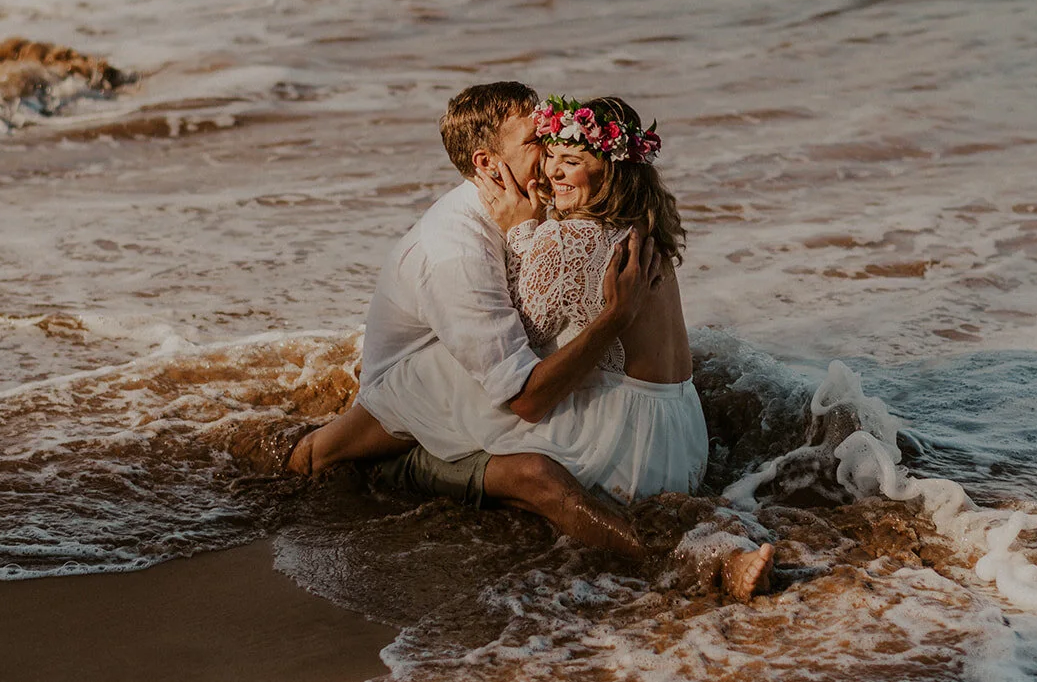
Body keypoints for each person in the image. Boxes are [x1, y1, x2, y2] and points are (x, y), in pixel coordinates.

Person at [280, 83, 774, 599]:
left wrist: (529, 236)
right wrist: (613, 313)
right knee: (497, 445)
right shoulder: (463, 251)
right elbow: (526, 392)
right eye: (539, 144)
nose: (550, 157)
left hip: (570, 414)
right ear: (489, 163)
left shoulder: (556, 225)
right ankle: (319, 459)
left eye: (561, 147)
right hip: (434, 394)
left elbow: (535, 350)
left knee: (534, 472)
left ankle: (333, 458)